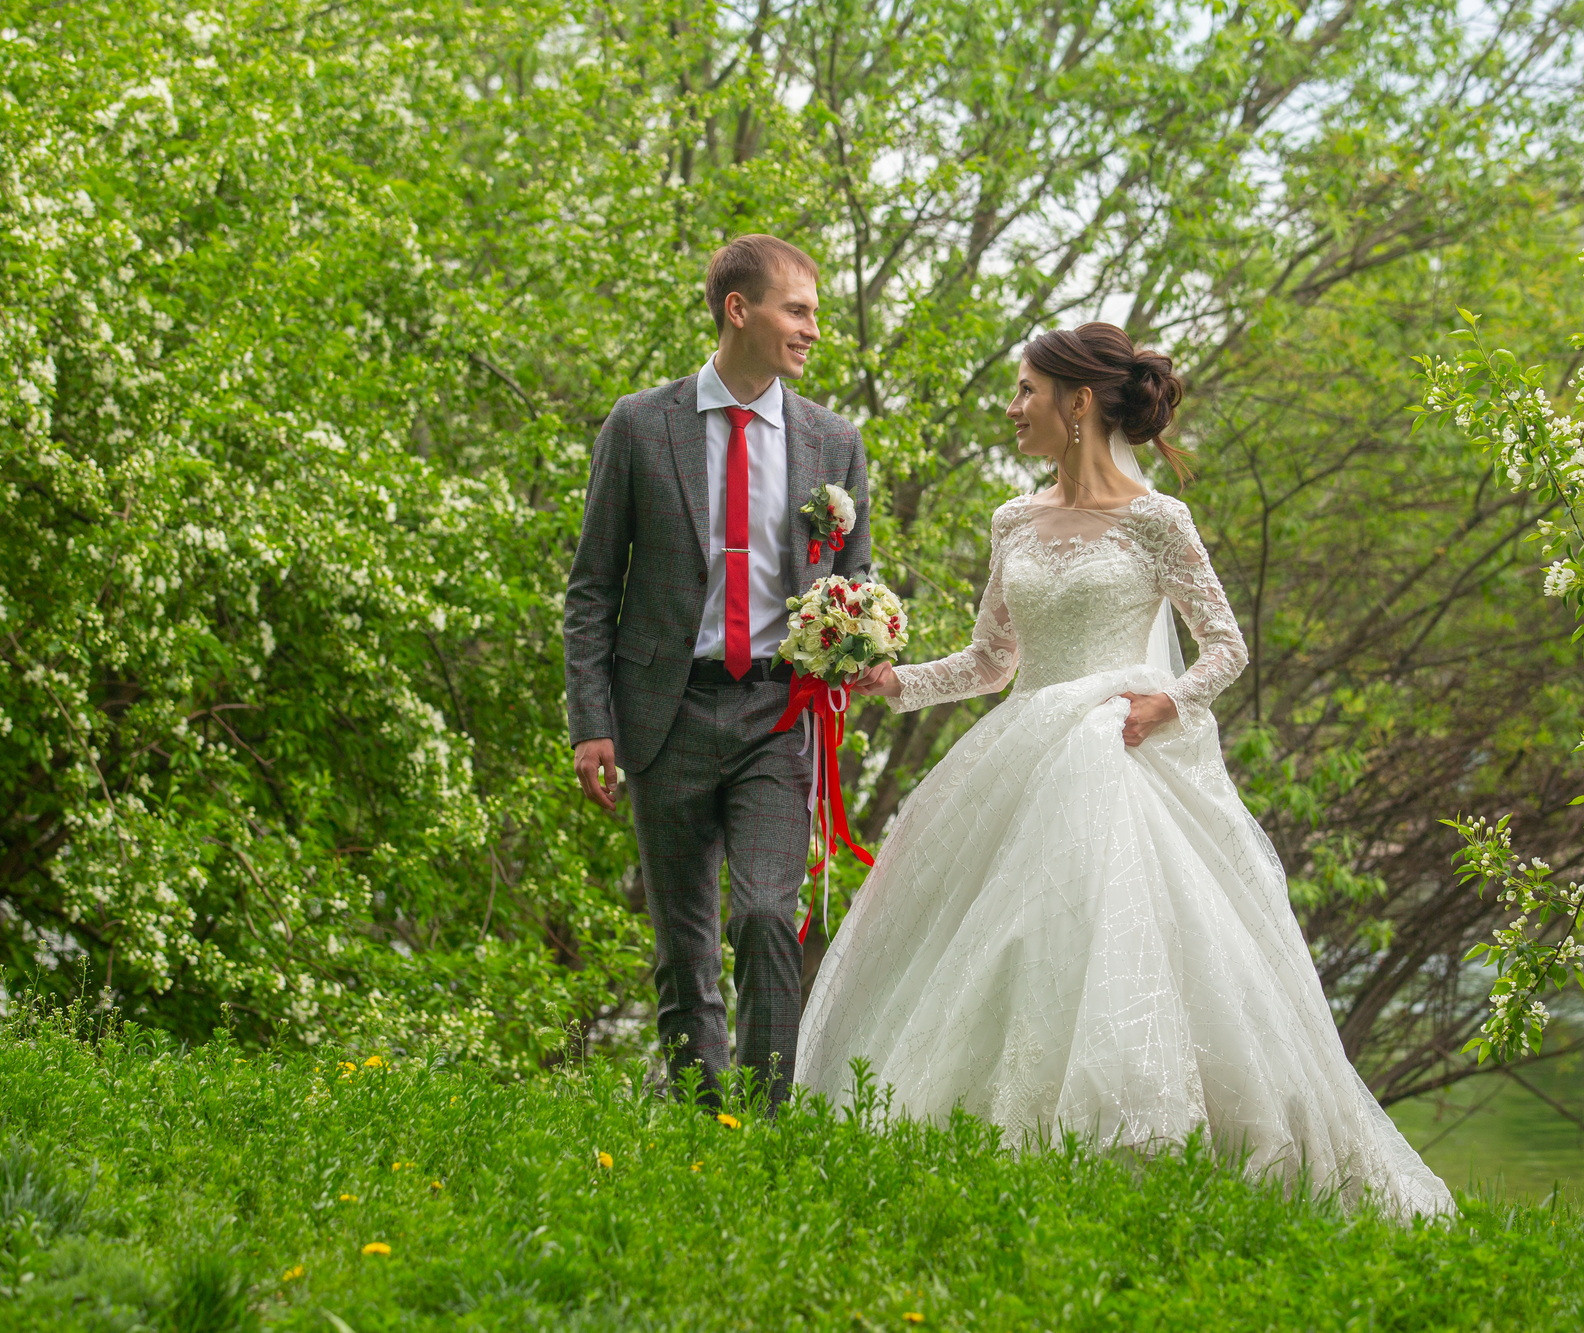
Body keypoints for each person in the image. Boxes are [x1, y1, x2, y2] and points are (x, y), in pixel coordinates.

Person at [795, 322, 1454, 1218]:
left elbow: (1225, 645)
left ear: (1077, 402)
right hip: (1029, 751)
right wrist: (893, 679)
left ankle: (1165, 1146)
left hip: (1120, 751)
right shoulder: (1013, 519)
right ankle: (1000, 1145)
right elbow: (993, 662)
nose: (1013, 406)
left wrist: (1169, 701)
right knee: (1010, 940)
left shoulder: (1156, 521)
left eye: (1026, 390)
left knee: (1132, 940)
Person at [563, 235, 870, 1110]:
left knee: (769, 914)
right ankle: (707, 1123)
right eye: (798, 309)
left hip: (777, 717)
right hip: (664, 715)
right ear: (740, 310)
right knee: (685, 944)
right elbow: (592, 588)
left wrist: (861, 647)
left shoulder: (832, 442)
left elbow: (852, 587)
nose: (813, 328)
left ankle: (770, 1120)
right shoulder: (639, 424)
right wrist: (593, 722)